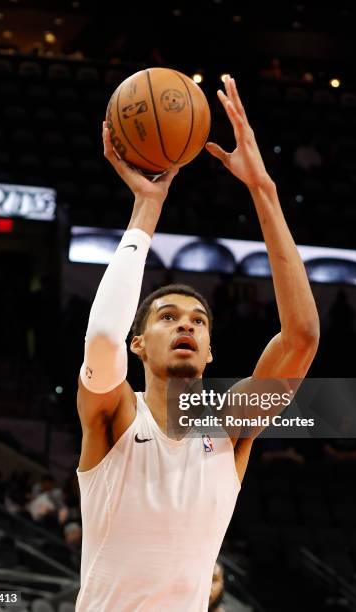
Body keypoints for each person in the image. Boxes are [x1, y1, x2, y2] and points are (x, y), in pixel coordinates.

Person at [75, 75, 320, 611]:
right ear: (137, 344)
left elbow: (301, 336)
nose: (186, 325)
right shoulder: (114, 416)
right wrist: (147, 207)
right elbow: (100, 336)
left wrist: (264, 190)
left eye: (198, 320)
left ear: (210, 351)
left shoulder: (231, 427)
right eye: (167, 316)